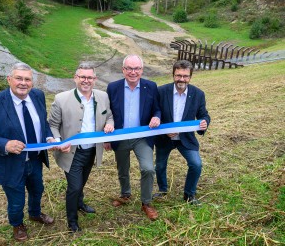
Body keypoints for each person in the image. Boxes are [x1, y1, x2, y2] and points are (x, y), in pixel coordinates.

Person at [0, 63, 57, 242]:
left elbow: (43, 123)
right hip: (10, 163)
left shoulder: (37, 96)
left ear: (32, 82)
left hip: (35, 160)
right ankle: (17, 224)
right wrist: (5, 144)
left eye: (27, 79)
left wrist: (49, 137)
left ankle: (35, 213)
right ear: (9, 79)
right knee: (16, 198)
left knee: (37, 189)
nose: (23, 83)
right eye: (18, 78)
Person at [48, 63, 114, 232]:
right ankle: (72, 221)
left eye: (90, 77)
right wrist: (58, 141)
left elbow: (109, 116)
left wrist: (109, 124)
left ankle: (79, 203)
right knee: (74, 187)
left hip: (92, 150)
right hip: (71, 152)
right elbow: (53, 125)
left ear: (95, 79)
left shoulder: (103, 96)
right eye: (82, 77)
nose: (86, 80)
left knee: (82, 182)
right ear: (75, 78)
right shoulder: (61, 99)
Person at [105, 54, 161, 221]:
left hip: (141, 137)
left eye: (136, 68)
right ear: (123, 70)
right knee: (123, 169)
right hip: (120, 136)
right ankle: (125, 194)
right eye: (129, 68)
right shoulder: (113, 87)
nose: (133, 72)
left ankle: (146, 202)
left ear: (142, 70)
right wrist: (106, 137)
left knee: (148, 168)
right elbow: (107, 113)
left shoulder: (151, 86)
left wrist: (157, 117)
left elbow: (157, 109)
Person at [153, 60, 210, 205]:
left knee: (196, 164)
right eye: (178, 75)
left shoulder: (198, 94)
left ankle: (189, 195)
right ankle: (163, 190)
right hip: (164, 138)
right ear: (173, 75)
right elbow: (154, 113)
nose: (181, 79)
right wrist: (164, 131)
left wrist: (204, 123)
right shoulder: (160, 91)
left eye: (185, 76)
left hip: (186, 138)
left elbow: (204, 115)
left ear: (190, 77)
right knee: (160, 166)